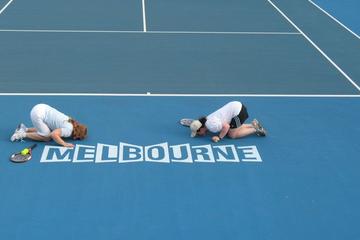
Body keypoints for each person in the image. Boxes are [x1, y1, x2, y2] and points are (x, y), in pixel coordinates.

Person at [10, 103, 87, 148]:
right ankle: (20, 134)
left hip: (41, 107)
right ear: (77, 136)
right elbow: (54, 135)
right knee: (47, 137)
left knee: (47, 129)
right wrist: (64, 144)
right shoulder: (69, 131)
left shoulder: (71, 121)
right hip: (37, 114)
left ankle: (24, 128)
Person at [189, 101, 266, 142]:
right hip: (237, 106)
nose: (199, 135)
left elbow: (226, 126)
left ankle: (256, 129)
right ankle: (253, 125)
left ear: (201, 128)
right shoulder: (207, 119)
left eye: (197, 133)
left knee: (232, 135)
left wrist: (219, 137)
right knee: (233, 128)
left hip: (238, 113)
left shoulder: (211, 126)